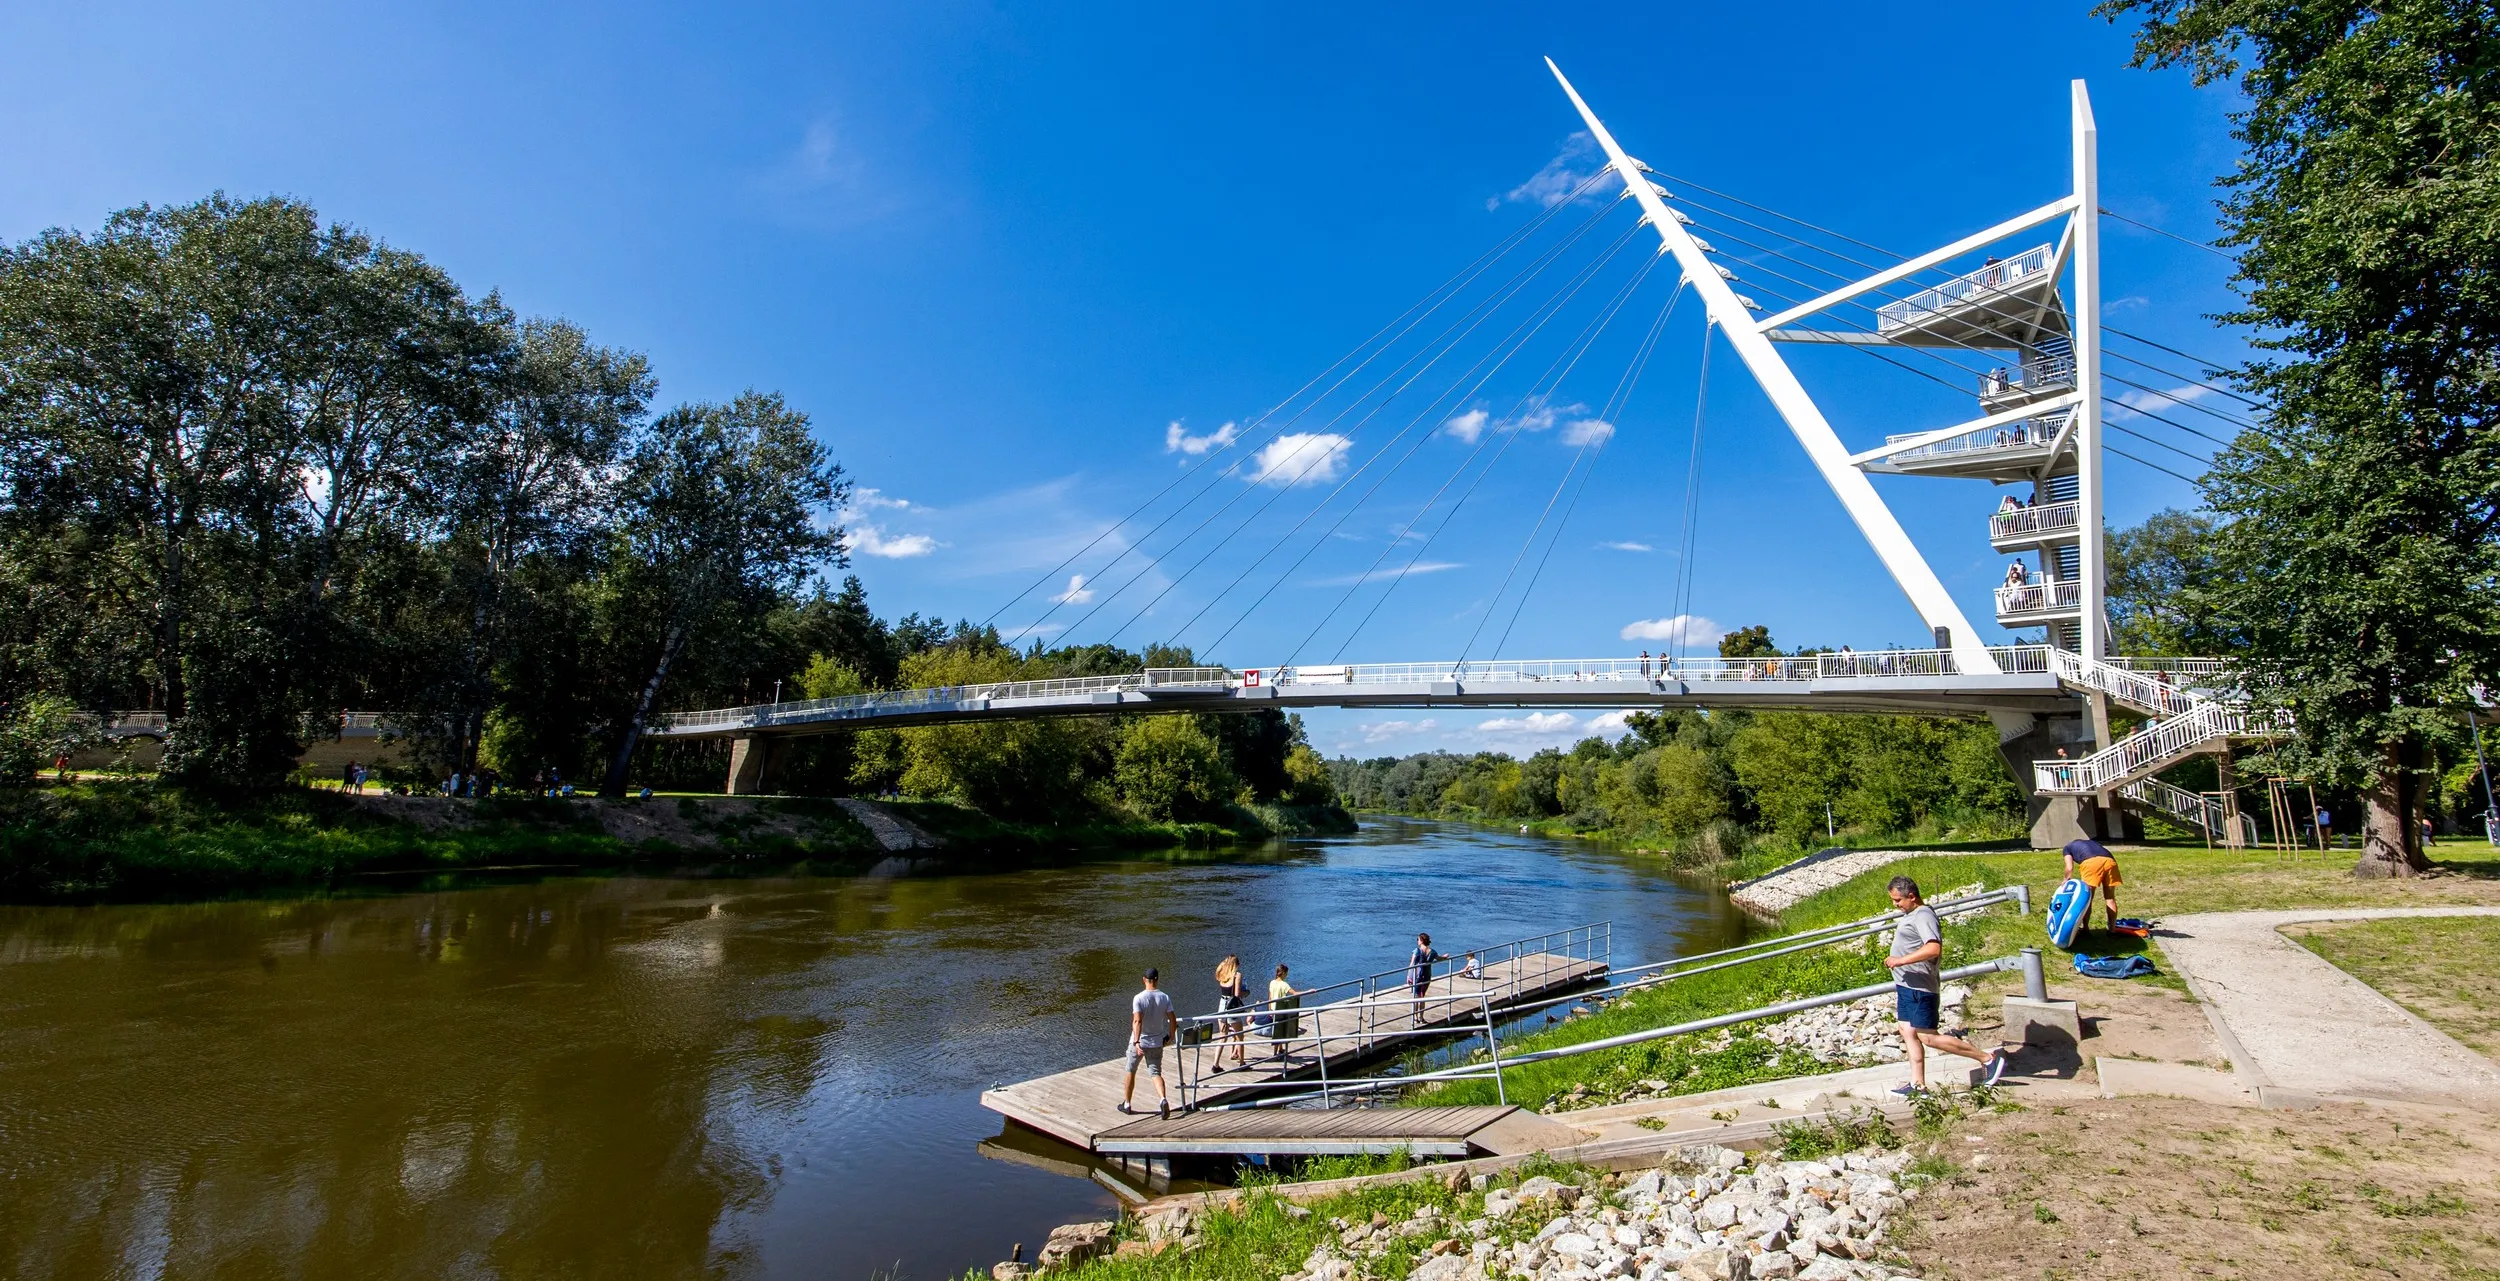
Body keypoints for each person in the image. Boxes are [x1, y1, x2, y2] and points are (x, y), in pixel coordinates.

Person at [1883, 876, 2006, 1094]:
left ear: (1911, 896)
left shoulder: (1923, 915)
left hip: (1920, 988)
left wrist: (1900, 960)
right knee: (1907, 1031)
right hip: (1906, 985)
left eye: (1897, 900)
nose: (1895, 905)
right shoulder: (1913, 914)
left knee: (1928, 1037)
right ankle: (1917, 1084)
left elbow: (1933, 949)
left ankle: (1987, 1059)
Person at [1117, 967, 1179, 1117]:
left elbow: (1137, 1021)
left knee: (1130, 1070)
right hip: (1157, 1042)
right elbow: (1172, 1019)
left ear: (1144, 979)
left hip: (1140, 1042)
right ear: (1157, 980)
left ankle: (1127, 1104)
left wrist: (1137, 1042)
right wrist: (1171, 1036)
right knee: (1156, 1073)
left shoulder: (1139, 998)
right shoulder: (1164, 997)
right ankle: (1163, 1099)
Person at [2063, 838, 2124, 931]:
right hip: (2110, 861)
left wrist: (2065, 881)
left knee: (2087, 899)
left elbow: (2069, 867)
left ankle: (2085, 929)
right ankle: (2112, 929)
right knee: (2110, 898)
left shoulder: (2067, 848)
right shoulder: (2093, 842)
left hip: (2091, 862)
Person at [1213, 955, 1250, 1068]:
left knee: (1223, 1035)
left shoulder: (1222, 974)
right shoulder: (1237, 975)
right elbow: (1237, 994)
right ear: (1237, 965)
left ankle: (1215, 1064)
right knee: (1240, 1035)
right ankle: (1242, 1063)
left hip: (1222, 1005)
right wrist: (1247, 993)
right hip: (1232, 1007)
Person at [1266, 964, 1307, 1061]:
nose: (1287, 975)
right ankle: (1275, 1054)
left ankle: (1280, 1050)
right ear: (1283, 973)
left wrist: (1270, 1010)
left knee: (1278, 1028)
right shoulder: (1284, 984)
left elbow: (1270, 997)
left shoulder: (1272, 982)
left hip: (1273, 1010)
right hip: (1280, 1010)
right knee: (1279, 1032)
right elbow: (1295, 993)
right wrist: (1308, 991)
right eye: (1286, 973)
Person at [1407, 932, 1448, 1021]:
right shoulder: (1432, 951)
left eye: (1418, 939)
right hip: (1427, 976)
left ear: (1421, 941)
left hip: (1417, 975)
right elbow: (1439, 958)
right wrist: (1445, 957)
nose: (1417, 941)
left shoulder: (1417, 951)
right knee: (1422, 996)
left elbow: (1412, 964)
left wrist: (1409, 976)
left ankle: (1415, 1017)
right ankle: (1421, 1017)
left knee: (1416, 996)